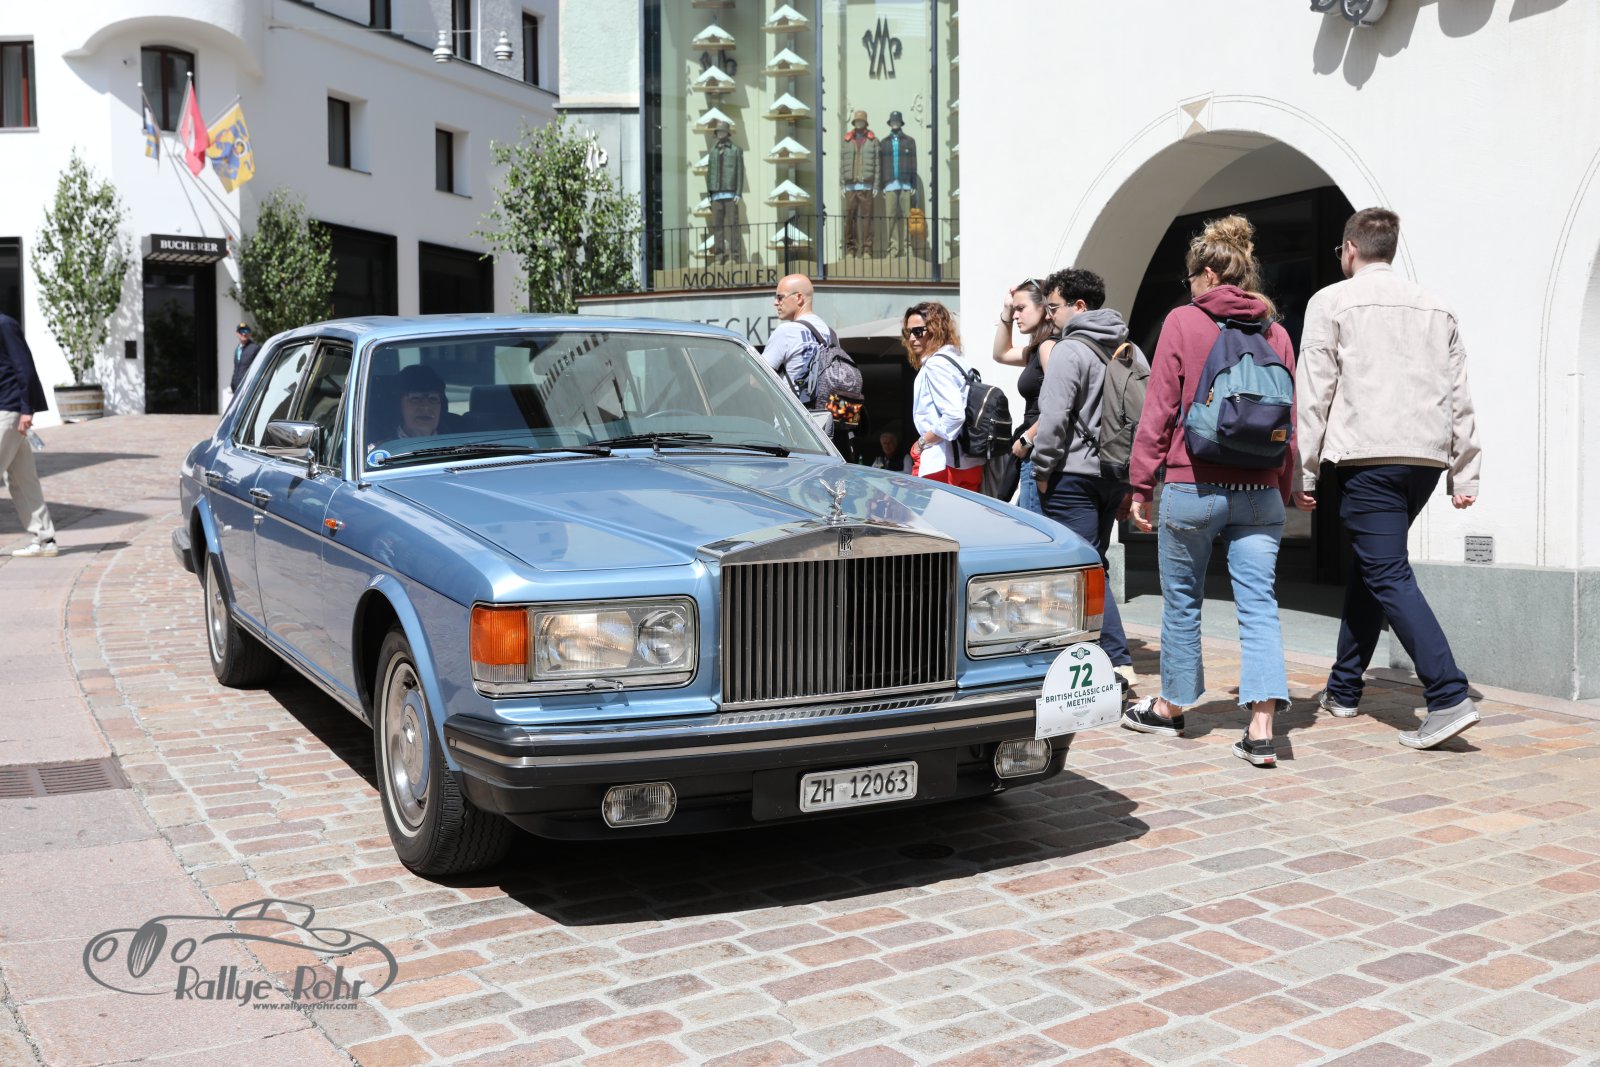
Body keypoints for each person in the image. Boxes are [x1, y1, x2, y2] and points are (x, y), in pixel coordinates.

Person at [1295, 207, 1483, 750]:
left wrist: (1304, 468)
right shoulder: (1437, 307)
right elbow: (1459, 395)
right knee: (1373, 566)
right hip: (1423, 462)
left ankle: (1447, 695)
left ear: (1351, 249)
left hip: (1367, 459)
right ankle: (1344, 687)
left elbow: (1315, 390)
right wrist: (1465, 471)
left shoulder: (1330, 301)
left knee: (1386, 571)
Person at [1124, 215, 1296, 768]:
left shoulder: (1183, 321)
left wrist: (1140, 484)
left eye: (1190, 278)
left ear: (1207, 274)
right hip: (1259, 491)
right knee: (1259, 604)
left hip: (1192, 483)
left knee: (1182, 600)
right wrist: (1283, 484)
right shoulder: (1275, 330)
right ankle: (1262, 730)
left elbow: (1159, 409)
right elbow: (1289, 418)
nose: (1190, 287)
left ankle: (1172, 706)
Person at [1029, 268, 1139, 694]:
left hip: (1071, 475)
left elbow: (1053, 418)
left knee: (1083, 568)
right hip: (1114, 473)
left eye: (1053, 306)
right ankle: (1087, 654)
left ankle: (1116, 661)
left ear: (1079, 306)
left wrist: (1042, 471)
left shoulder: (1068, 350)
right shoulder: (1128, 348)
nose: (1049, 315)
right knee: (1094, 564)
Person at [992, 278, 1056, 515]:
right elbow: (1000, 353)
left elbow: (1060, 401)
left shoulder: (1049, 347)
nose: (1016, 315)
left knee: (1033, 526)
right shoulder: (1037, 350)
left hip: (1037, 449)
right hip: (1033, 449)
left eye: (1021, 308)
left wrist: (1028, 437)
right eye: (1014, 309)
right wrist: (1006, 310)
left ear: (1043, 307)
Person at [904, 301, 984, 491]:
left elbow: (954, 415)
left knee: (925, 510)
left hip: (943, 463)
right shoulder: (957, 360)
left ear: (935, 329)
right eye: (908, 332)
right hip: (968, 460)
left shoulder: (936, 364)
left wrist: (922, 443)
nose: (912, 338)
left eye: (918, 331)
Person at [0, 313, 58, 558]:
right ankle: (45, 539)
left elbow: (24, 367)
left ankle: (44, 539)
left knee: (21, 479)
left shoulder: (4, 325)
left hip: (9, 410)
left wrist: (26, 409)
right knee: (22, 480)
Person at [762, 274, 828, 397]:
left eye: (780, 297)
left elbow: (757, 380)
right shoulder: (829, 333)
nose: (775, 303)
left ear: (798, 298)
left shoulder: (786, 331)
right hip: (824, 408)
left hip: (793, 408)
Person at [879, 110, 918, 259]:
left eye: (897, 121)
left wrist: (913, 184)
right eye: (893, 121)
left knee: (908, 218)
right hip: (889, 185)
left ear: (901, 123)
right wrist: (882, 185)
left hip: (906, 184)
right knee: (890, 218)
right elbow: (881, 165)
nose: (895, 123)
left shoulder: (909, 141)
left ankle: (908, 249)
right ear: (890, 123)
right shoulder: (884, 142)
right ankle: (893, 249)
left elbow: (914, 163)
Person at [840, 110, 879, 257]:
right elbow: (842, 163)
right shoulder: (847, 140)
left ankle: (867, 250)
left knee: (867, 219)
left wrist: (876, 184)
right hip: (850, 185)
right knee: (850, 218)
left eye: (861, 121)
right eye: (857, 121)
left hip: (866, 186)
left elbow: (877, 164)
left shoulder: (873, 140)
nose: (859, 123)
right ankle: (851, 249)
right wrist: (842, 184)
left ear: (865, 122)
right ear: (854, 122)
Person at [706, 120, 744, 264]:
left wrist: (738, 192)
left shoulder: (736, 150)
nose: (720, 133)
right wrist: (709, 194)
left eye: (722, 131)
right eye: (718, 131)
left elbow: (740, 172)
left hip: (731, 194)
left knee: (733, 226)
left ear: (727, 133)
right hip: (716, 194)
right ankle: (719, 257)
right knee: (717, 227)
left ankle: (735, 257)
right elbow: (709, 173)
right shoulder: (713, 151)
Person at [229, 322, 261, 393]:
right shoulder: (238, 349)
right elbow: (236, 369)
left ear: (249, 333)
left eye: (246, 331)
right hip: (237, 389)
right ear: (237, 333)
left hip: (248, 389)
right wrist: (233, 384)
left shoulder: (255, 348)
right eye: (241, 331)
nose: (244, 333)